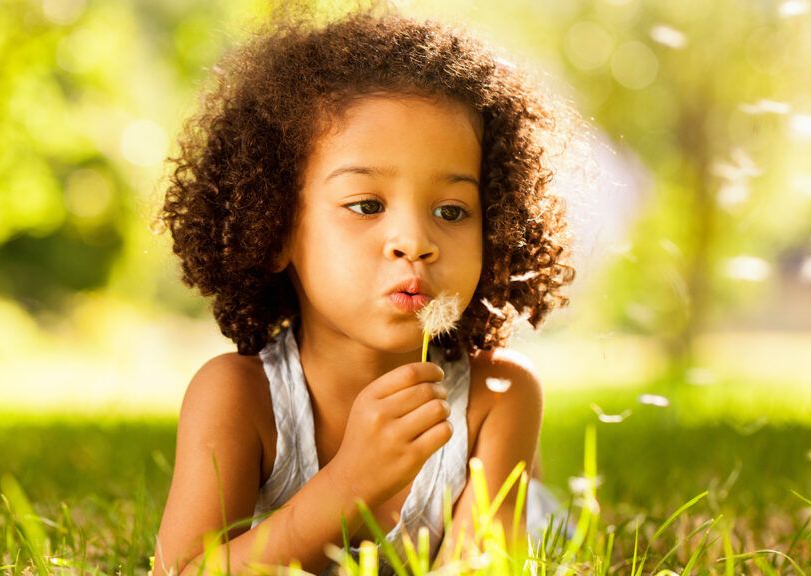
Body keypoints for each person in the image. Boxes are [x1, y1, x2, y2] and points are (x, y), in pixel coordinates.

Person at [152, 5, 581, 575]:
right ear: (275, 228)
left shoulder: (499, 397)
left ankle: (534, 487)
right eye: (366, 205)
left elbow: (483, 565)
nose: (414, 241)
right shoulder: (237, 398)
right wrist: (351, 481)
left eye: (452, 210)